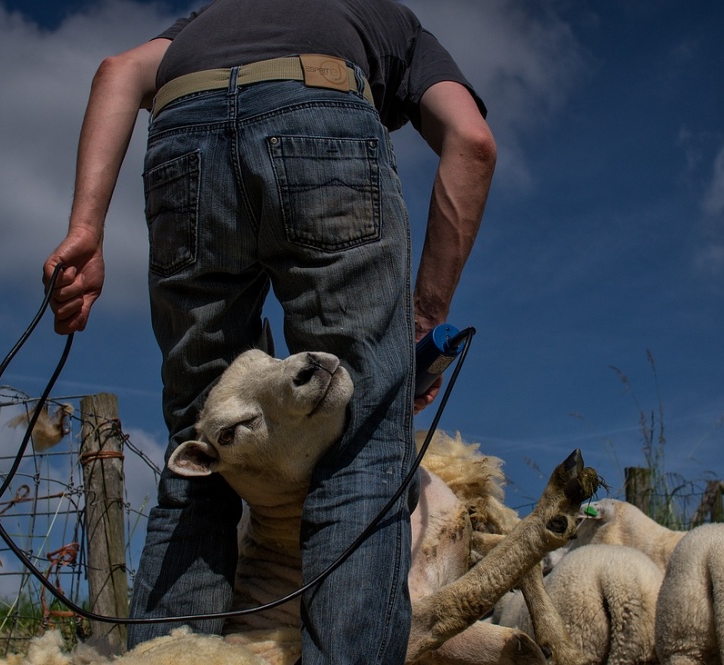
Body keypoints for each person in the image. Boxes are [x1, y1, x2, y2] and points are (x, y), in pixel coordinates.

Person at [42, 0, 495, 662]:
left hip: (182, 139)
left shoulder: (208, 17)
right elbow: (472, 141)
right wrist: (423, 314)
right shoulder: (386, 20)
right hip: (326, 120)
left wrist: (86, 227)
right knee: (361, 445)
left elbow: (117, 71)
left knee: (202, 440)